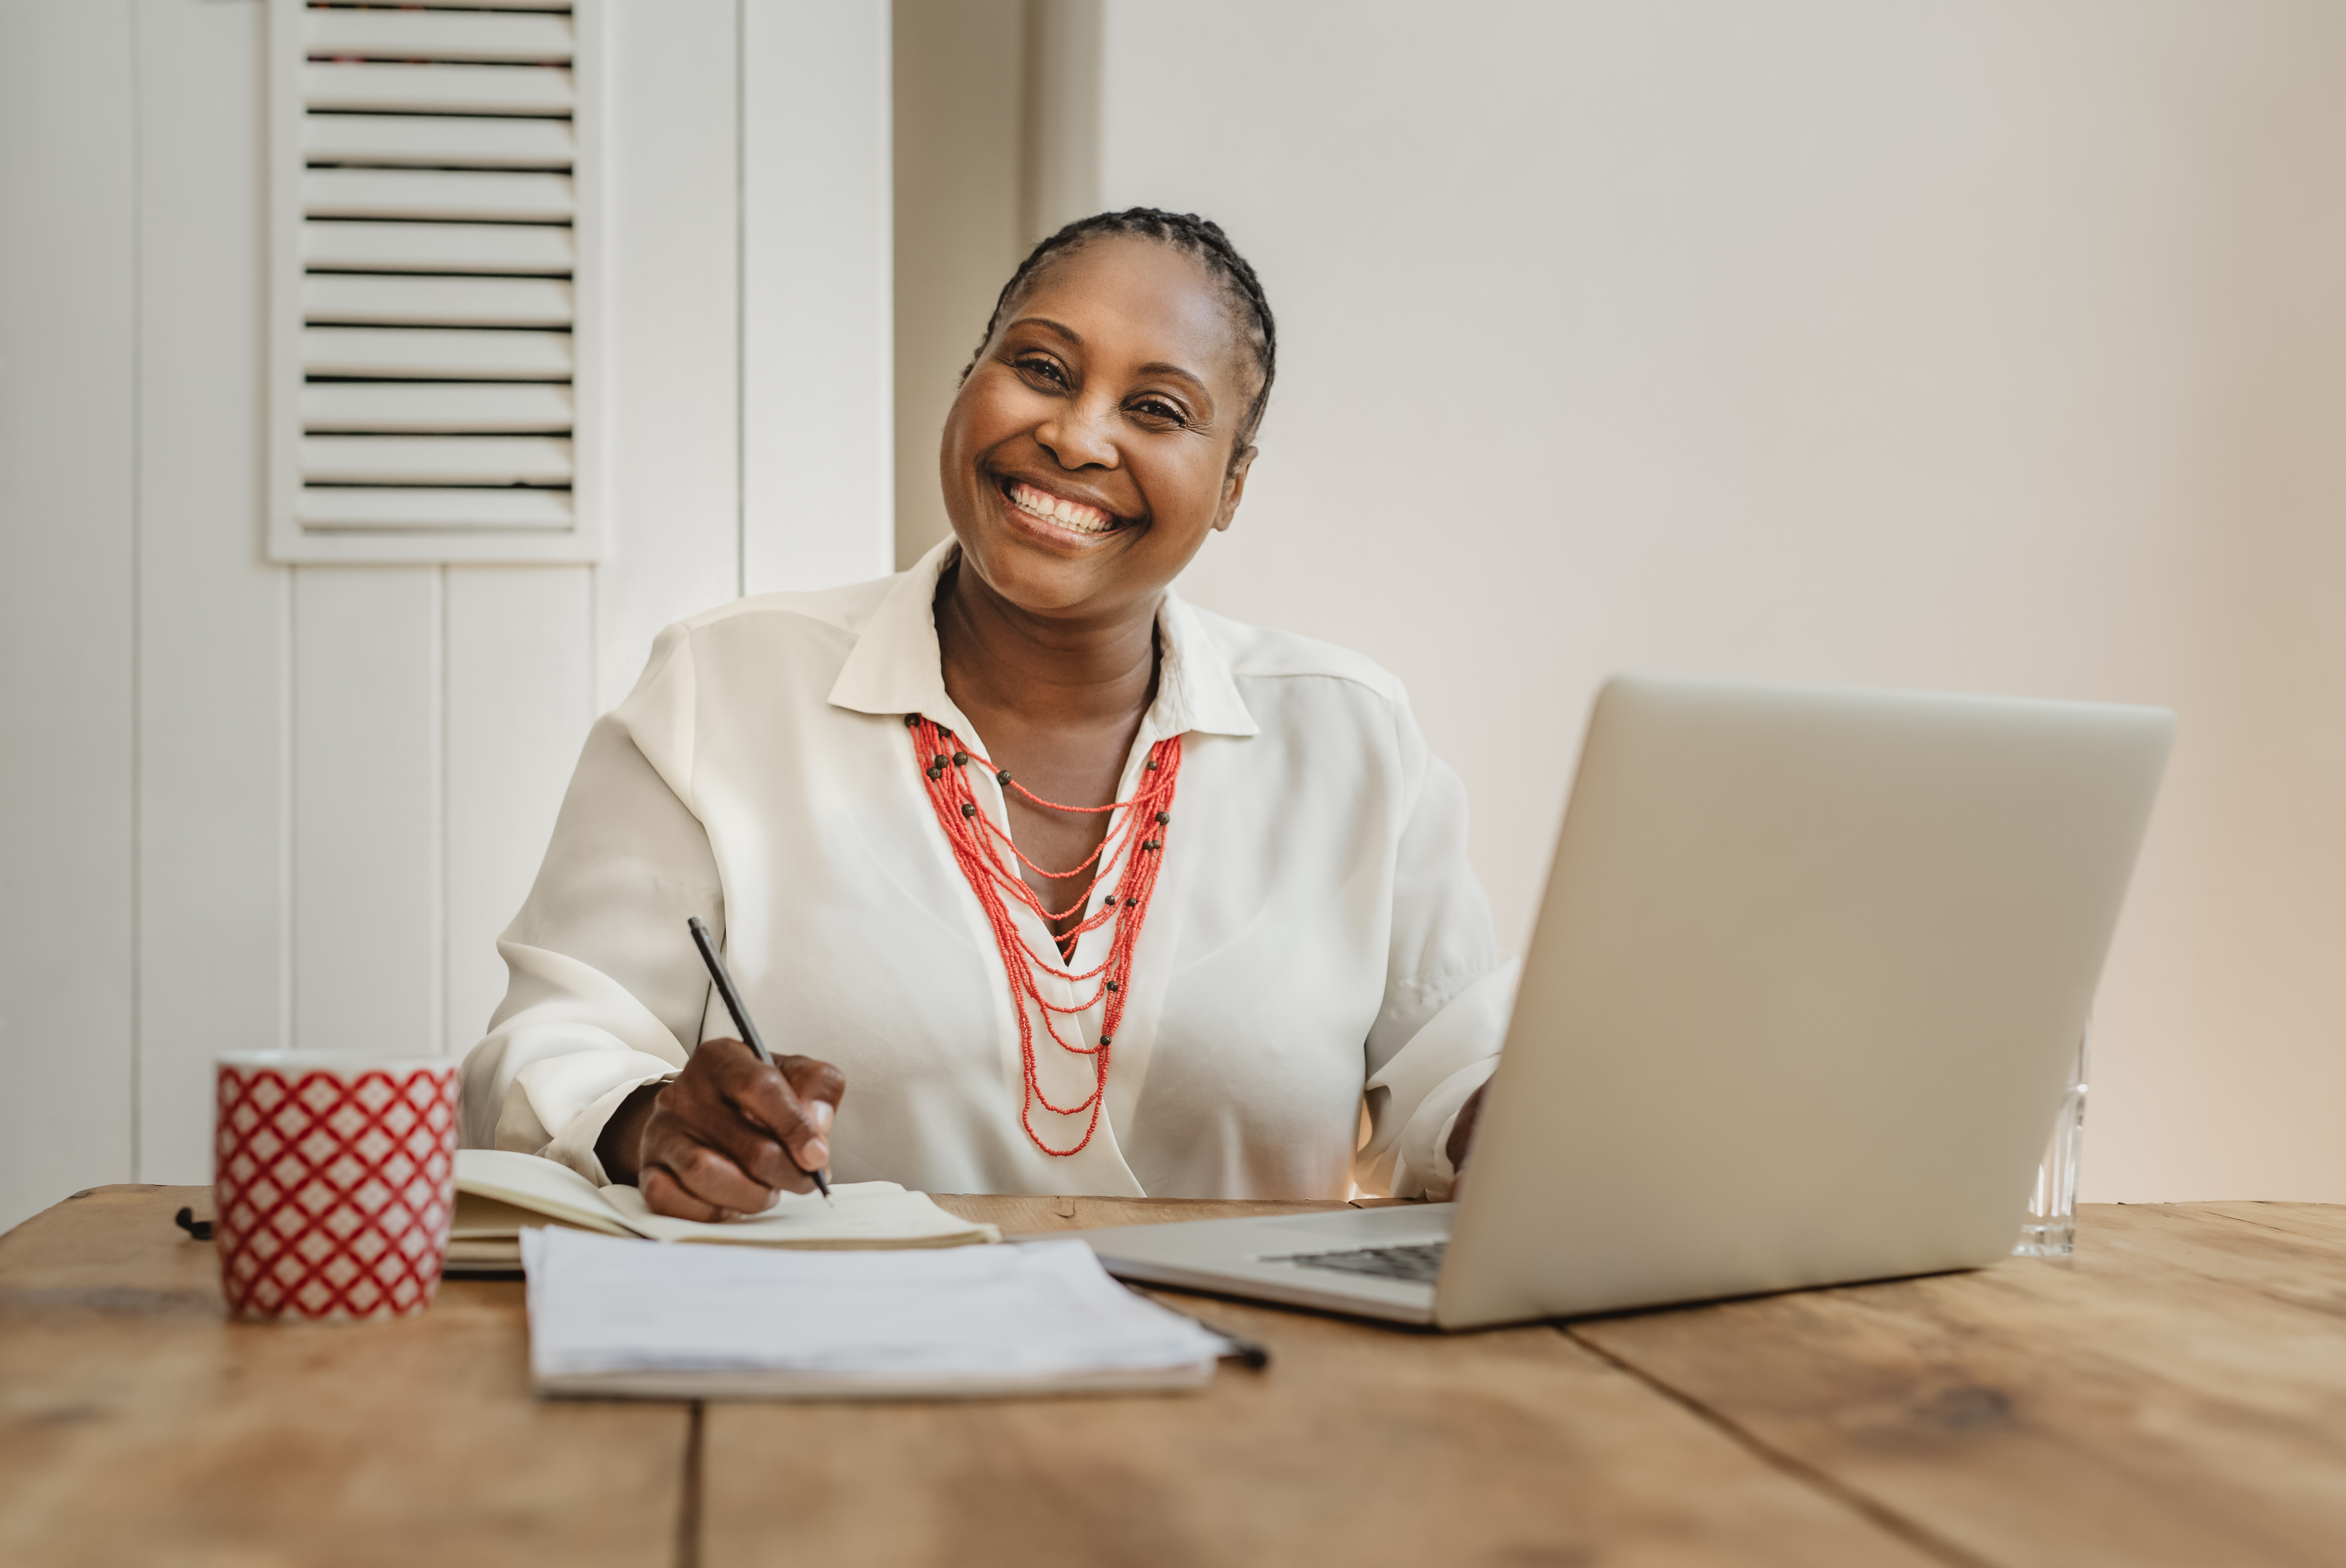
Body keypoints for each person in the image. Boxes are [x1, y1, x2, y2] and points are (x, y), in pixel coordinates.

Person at [459, 209, 1511, 1220]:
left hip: (1249, 1344)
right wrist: (653, 1121)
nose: (1077, 435)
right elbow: (549, 1050)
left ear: (1233, 484)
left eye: (1156, 409)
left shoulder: (1352, 736)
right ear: (970, 382)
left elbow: (1463, 1072)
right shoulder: (724, 686)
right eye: (1042, 368)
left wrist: (1505, 1122)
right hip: (841, 1333)